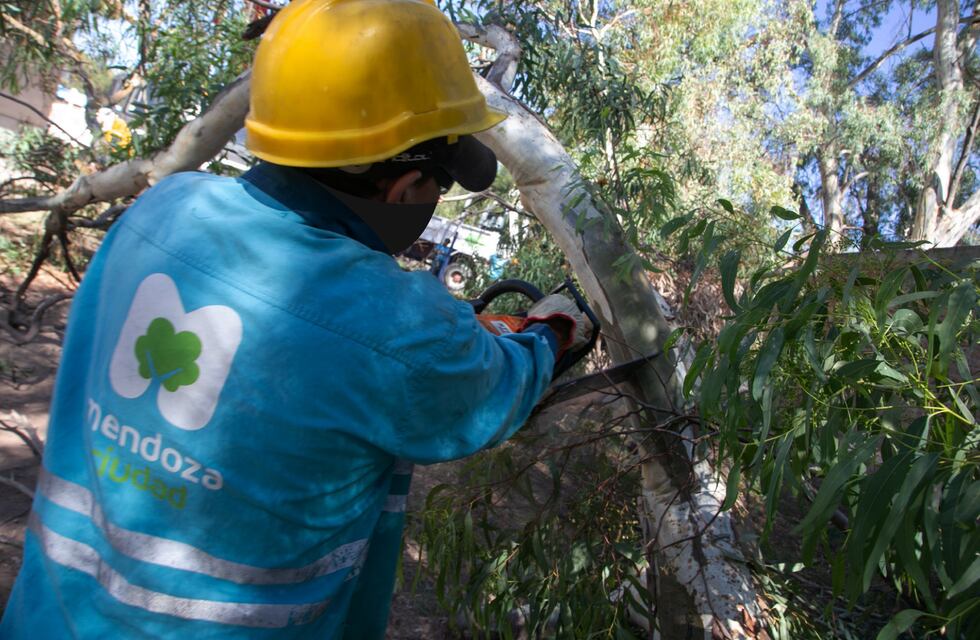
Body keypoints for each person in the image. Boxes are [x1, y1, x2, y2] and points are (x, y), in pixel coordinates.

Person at [0, 1, 591, 638]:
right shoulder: (394, 323)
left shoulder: (163, 206)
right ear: (404, 188)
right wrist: (552, 331)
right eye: (437, 188)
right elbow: (493, 389)